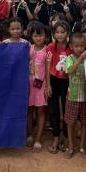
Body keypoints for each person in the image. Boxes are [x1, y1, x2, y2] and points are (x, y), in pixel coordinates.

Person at [64, 32, 86, 159]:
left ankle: (82, 146)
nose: (79, 48)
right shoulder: (69, 58)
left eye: (82, 46)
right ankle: (70, 145)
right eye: (77, 46)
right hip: (72, 97)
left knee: (85, 123)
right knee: (70, 122)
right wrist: (80, 59)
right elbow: (69, 70)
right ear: (71, 46)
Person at [47, 21, 72, 154]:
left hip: (67, 81)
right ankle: (56, 137)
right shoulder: (51, 47)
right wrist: (48, 85)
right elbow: (48, 65)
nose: (60, 34)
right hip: (54, 80)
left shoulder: (71, 47)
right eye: (57, 32)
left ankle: (67, 138)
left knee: (67, 110)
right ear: (54, 34)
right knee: (53, 110)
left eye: (62, 32)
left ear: (68, 33)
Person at [26, 22, 51, 152]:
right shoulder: (28, 48)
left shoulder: (47, 51)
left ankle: (38, 139)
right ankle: (30, 135)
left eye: (41, 36)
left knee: (41, 111)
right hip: (29, 85)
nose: (38, 38)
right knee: (29, 111)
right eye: (36, 36)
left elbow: (47, 70)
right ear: (32, 37)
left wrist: (48, 86)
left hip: (41, 86)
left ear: (46, 37)